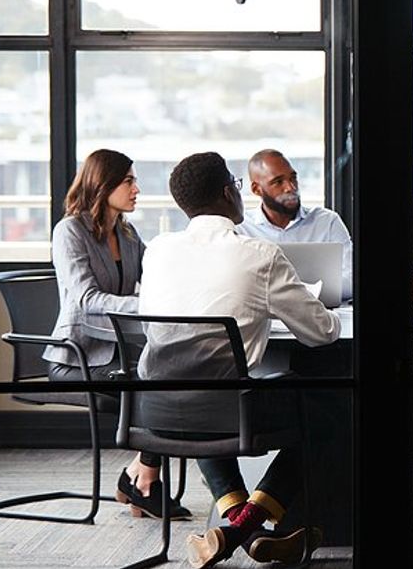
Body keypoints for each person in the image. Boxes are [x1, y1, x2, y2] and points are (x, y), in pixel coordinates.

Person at [138, 152, 341, 568]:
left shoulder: (157, 250)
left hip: (154, 406)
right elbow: (320, 333)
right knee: (340, 410)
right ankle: (243, 528)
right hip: (229, 410)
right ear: (230, 192)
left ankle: (241, 527)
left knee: (199, 384)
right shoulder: (259, 254)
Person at [46, 148, 190, 520]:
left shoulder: (126, 233)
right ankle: (142, 482)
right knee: (154, 388)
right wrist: (149, 307)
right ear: (103, 183)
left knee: (171, 378)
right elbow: (87, 299)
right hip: (78, 357)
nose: (136, 188)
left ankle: (137, 477)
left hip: (121, 354)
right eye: (128, 180)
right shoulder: (69, 232)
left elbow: (156, 279)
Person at [235, 149, 354, 301]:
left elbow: (352, 278)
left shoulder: (327, 221)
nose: (290, 187)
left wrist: (291, 296)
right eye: (278, 182)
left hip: (319, 317)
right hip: (264, 320)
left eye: (293, 178)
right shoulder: (242, 227)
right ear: (256, 189)